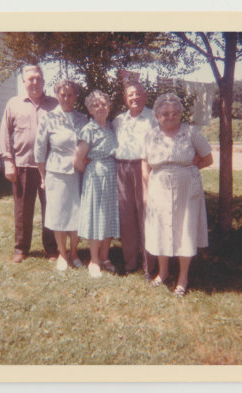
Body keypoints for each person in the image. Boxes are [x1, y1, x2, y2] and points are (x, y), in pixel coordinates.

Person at [142, 92, 213, 296]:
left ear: (181, 113)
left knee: (185, 230)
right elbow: (145, 164)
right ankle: (163, 273)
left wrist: (191, 168)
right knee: (161, 229)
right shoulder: (151, 135)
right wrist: (146, 191)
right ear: (157, 115)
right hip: (158, 188)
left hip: (187, 190)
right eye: (165, 113)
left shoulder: (191, 133)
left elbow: (208, 159)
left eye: (174, 113)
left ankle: (183, 277)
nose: (170, 116)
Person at [0, 65, 57, 263]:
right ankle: (21, 249)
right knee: (23, 210)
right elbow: (4, 133)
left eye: (38, 78)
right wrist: (8, 161)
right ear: (23, 82)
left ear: (43, 80)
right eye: (30, 79)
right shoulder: (14, 104)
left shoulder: (54, 105)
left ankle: (52, 248)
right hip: (23, 165)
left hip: (50, 167)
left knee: (51, 208)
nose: (34, 82)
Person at [34, 79, 88, 271]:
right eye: (62, 94)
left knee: (75, 213)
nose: (66, 98)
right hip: (55, 172)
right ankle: (62, 255)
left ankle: (74, 253)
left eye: (70, 95)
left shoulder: (83, 118)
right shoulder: (48, 118)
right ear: (57, 95)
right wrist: (42, 176)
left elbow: (88, 144)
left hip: (77, 172)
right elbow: (39, 149)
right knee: (57, 213)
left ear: (75, 97)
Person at [113, 81, 158, 279]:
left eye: (138, 94)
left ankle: (150, 265)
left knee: (146, 214)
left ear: (145, 96)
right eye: (131, 95)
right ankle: (130, 262)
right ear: (125, 99)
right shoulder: (118, 121)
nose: (135, 98)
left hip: (145, 167)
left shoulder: (153, 118)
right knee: (126, 216)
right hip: (122, 168)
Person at [74, 90, 119, 278]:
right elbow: (77, 159)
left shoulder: (111, 126)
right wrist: (91, 173)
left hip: (111, 175)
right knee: (95, 217)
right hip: (95, 177)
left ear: (108, 107)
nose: (100, 107)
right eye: (95, 105)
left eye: (103, 104)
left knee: (109, 216)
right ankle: (93, 260)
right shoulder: (89, 129)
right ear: (90, 110)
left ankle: (105, 256)